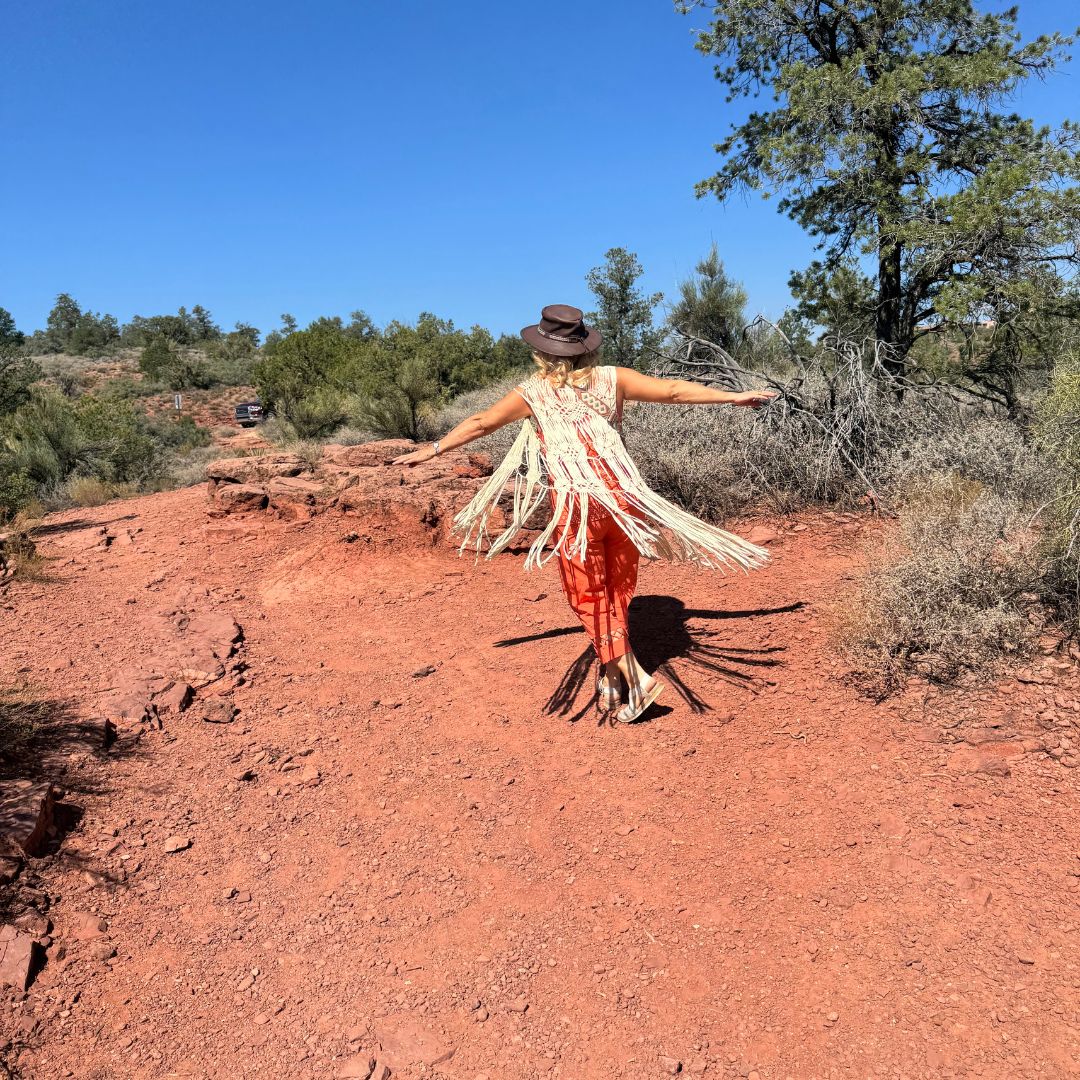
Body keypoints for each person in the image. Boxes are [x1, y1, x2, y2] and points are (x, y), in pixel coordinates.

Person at [394, 304, 776, 722]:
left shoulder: (532, 393)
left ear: (542, 350)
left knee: (587, 593)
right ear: (583, 345)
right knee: (616, 588)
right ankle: (611, 677)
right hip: (625, 502)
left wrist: (430, 450)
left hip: (578, 506)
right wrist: (733, 396)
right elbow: (671, 391)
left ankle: (637, 677)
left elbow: (482, 422)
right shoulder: (614, 379)